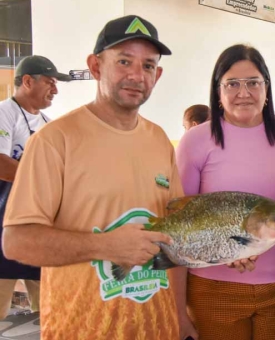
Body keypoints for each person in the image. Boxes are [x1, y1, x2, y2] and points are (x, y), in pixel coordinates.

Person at [2, 15, 182, 339]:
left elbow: (176, 231)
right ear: (96, 66)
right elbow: (16, 242)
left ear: (158, 75)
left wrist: (234, 248)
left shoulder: (159, 140)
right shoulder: (55, 140)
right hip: (80, 328)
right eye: (124, 61)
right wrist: (106, 246)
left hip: (157, 328)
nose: (136, 75)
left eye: (148, 66)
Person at [174, 44, 275, 340]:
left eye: (253, 83)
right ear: (218, 91)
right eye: (232, 83)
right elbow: (179, 227)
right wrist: (179, 312)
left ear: (266, 88)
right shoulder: (196, 141)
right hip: (212, 289)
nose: (243, 92)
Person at [0, 55, 70, 320]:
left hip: (38, 226)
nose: (56, 90)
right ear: (27, 81)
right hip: (3, 223)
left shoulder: (48, 125)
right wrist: (43, 179)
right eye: (50, 82)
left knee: (48, 309)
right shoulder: (4, 113)